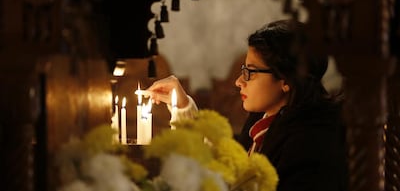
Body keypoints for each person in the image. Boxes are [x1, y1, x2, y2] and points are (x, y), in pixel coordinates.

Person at [146, 19, 348, 191]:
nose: (239, 82)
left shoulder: (311, 141)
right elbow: (227, 170)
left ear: (285, 80)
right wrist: (182, 107)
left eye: (250, 72)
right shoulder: (263, 119)